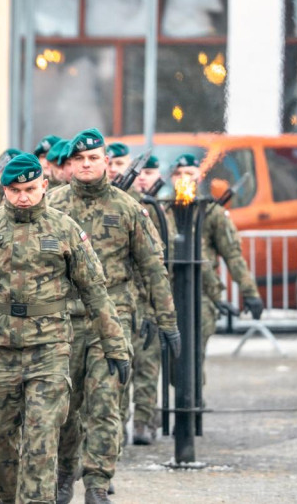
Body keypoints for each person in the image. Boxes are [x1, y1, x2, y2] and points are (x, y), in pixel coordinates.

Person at [0, 153, 129, 504]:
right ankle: (8, 494)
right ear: (4, 190)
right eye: (15, 190)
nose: (23, 197)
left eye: (31, 189)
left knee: (42, 439)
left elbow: (95, 290)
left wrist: (115, 343)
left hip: (48, 350)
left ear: (44, 185)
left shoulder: (64, 229)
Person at [49, 129, 179, 504]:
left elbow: (153, 268)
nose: (86, 165)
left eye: (93, 158)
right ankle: (63, 476)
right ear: (70, 165)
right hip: (62, 322)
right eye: (80, 160)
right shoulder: (53, 206)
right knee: (64, 408)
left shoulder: (128, 209)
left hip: (113, 320)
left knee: (105, 404)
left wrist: (166, 319)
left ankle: (97, 484)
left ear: (106, 161)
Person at [167, 155, 264, 366]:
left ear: (199, 177)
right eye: (178, 174)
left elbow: (233, 255)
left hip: (201, 293)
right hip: (167, 294)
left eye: (189, 174)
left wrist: (250, 292)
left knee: (192, 359)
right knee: (171, 365)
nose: (183, 179)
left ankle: (195, 400)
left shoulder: (211, 213)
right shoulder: (162, 211)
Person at [127, 155, 165, 445]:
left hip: (146, 301)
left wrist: (161, 309)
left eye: (148, 172)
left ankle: (143, 421)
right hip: (122, 301)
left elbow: (160, 262)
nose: (142, 177)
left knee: (147, 363)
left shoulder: (153, 210)